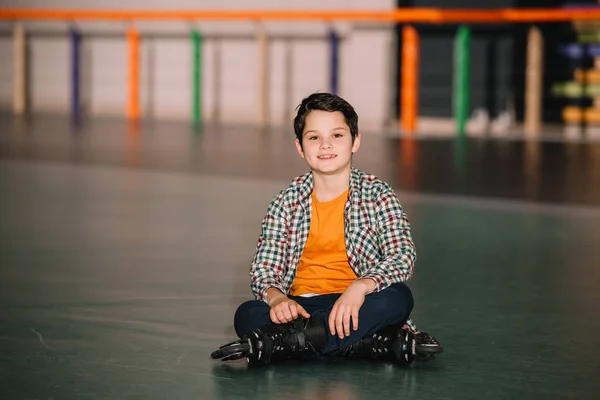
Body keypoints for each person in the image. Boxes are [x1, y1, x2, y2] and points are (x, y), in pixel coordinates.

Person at [210, 92, 442, 367]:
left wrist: (360, 287)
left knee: (398, 297)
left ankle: (286, 343)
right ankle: (371, 343)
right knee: (247, 314)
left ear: (355, 141)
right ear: (300, 146)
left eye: (337, 135)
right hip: (301, 309)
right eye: (314, 137)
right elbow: (264, 269)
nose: (325, 145)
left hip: (358, 304)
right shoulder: (286, 202)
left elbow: (402, 255)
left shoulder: (377, 194)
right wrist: (277, 299)